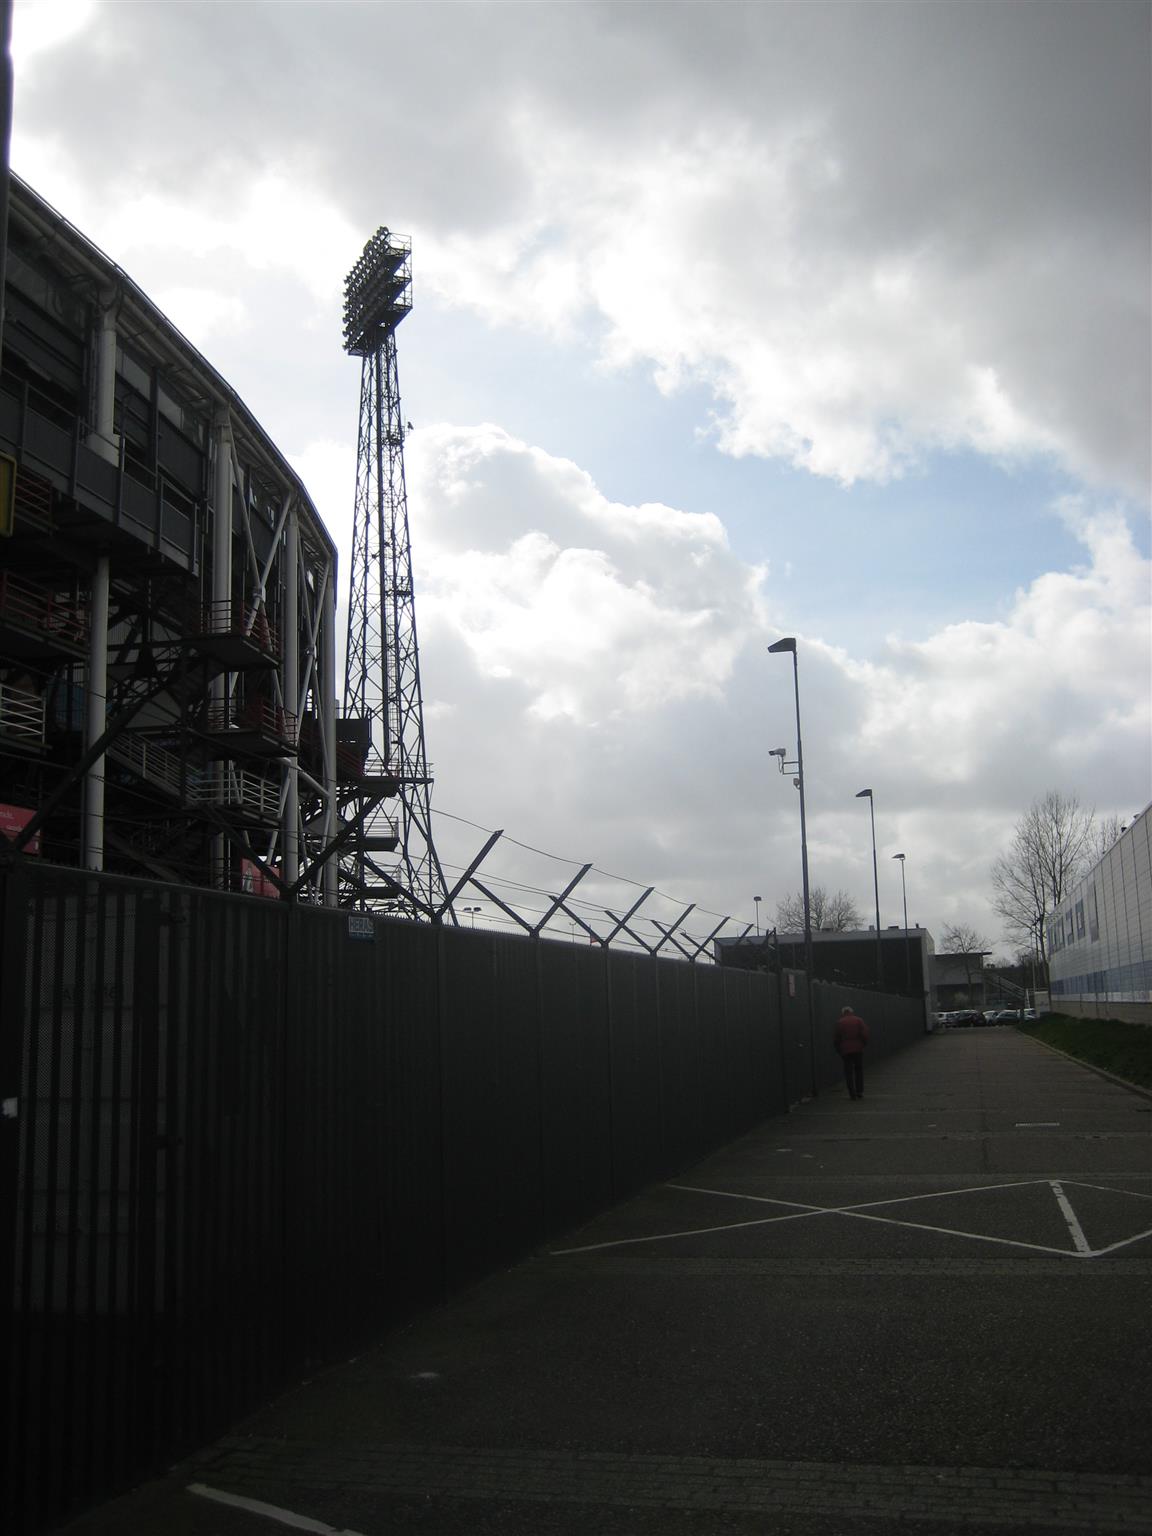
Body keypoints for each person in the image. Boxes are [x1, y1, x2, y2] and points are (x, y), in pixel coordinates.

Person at [834, 1004, 869, 1099]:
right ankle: (859, 1091)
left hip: (845, 1050)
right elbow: (865, 1034)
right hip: (858, 1049)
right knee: (858, 1070)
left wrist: (838, 1049)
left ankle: (852, 1093)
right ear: (851, 1012)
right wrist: (863, 1044)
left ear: (843, 1013)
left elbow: (837, 1038)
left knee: (848, 1072)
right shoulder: (859, 1020)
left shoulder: (840, 1022)